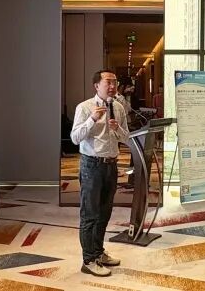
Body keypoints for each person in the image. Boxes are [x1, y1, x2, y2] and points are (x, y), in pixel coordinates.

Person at [69, 69, 128, 277]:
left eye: (115, 82)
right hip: (91, 166)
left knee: (104, 213)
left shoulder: (118, 107)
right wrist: (92, 119)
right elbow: (75, 138)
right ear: (97, 86)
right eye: (108, 82)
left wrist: (118, 128)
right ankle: (88, 260)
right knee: (90, 215)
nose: (112, 86)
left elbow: (126, 138)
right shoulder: (85, 107)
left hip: (111, 166)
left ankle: (98, 252)